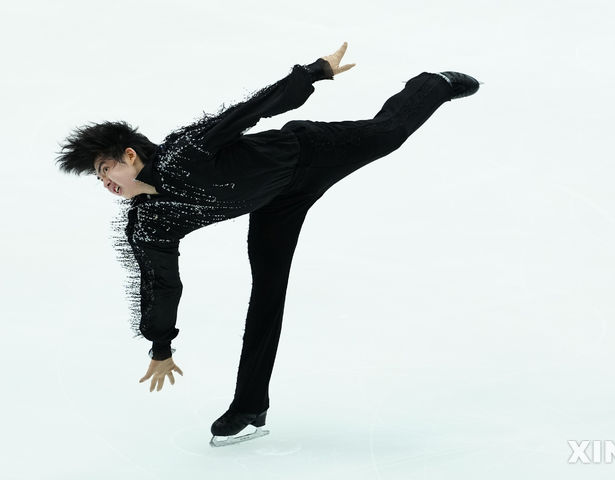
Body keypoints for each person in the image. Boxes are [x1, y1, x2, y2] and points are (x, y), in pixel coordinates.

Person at [55, 41, 481, 445]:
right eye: (97, 177)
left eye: (105, 168)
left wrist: (314, 72)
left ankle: (433, 83)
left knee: (387, 134)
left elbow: (245, 113)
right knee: (267, 293)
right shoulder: (151, 222)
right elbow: (161, 283)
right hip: (277, 204)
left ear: (130, 155)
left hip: (309, 152)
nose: (104, 181)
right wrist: (161, 346)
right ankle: (250, 407)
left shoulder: (184, 152)